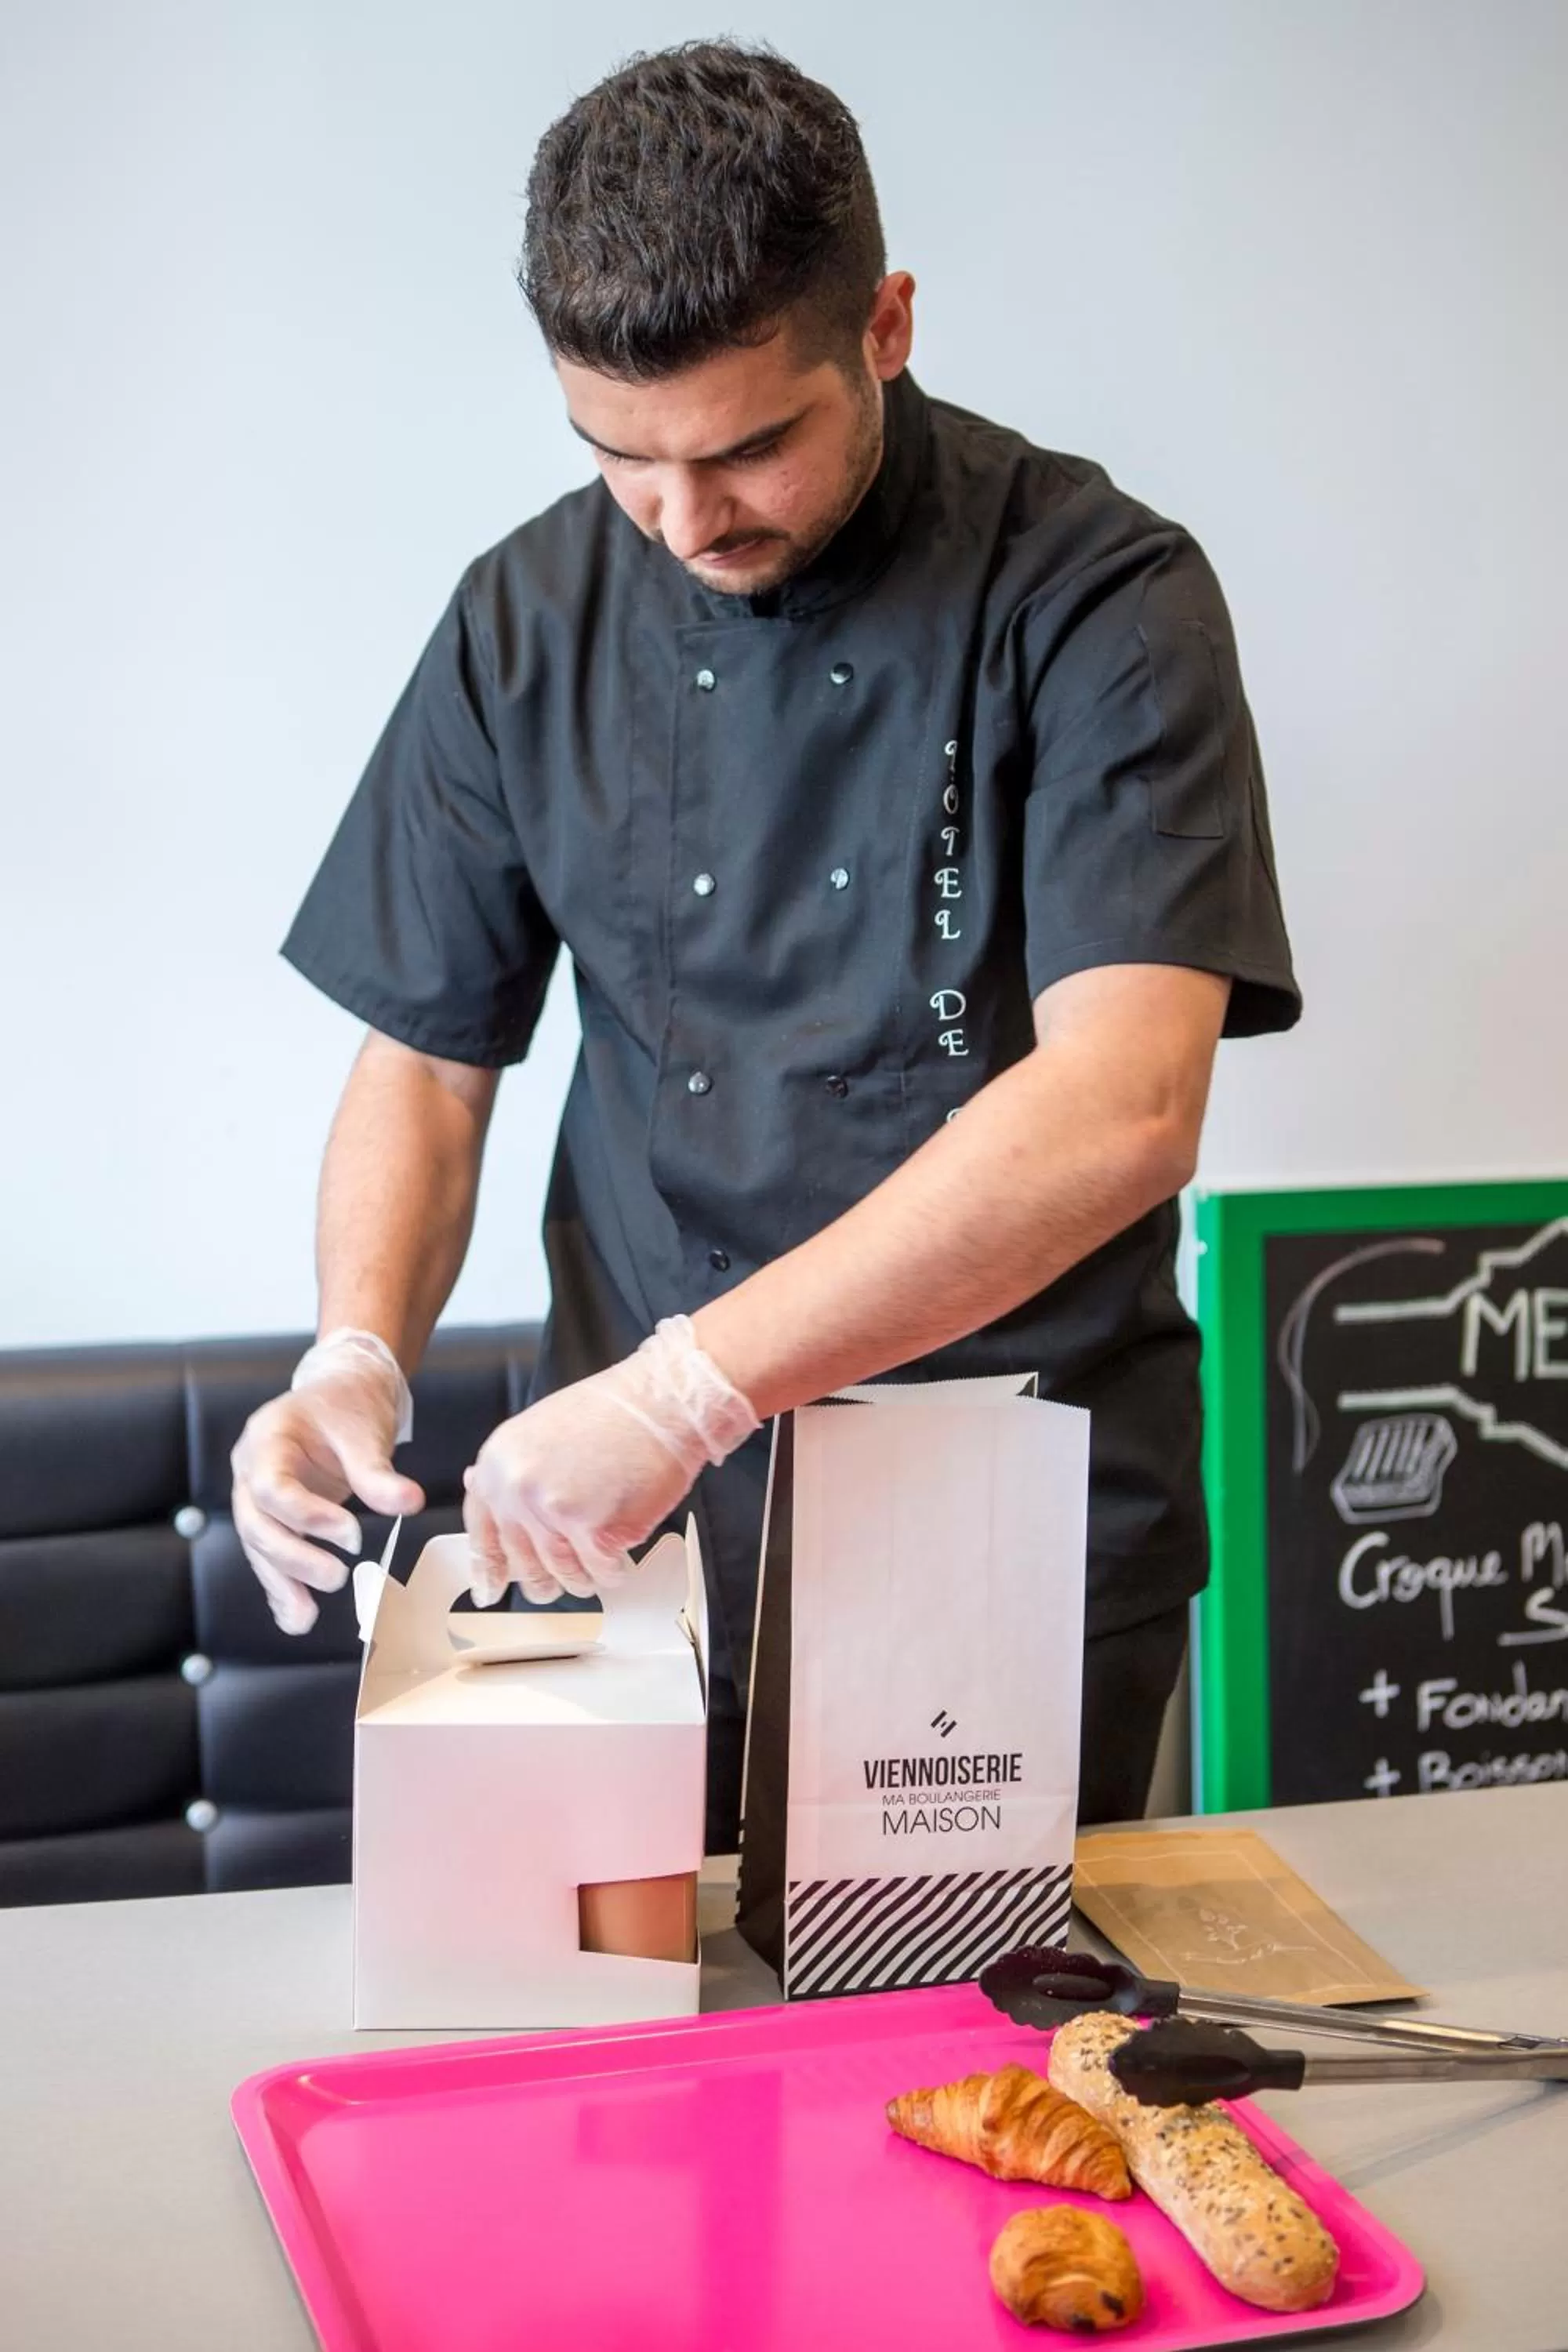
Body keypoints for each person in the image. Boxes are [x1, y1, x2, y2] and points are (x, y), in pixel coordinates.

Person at [231, 39, 1299, 1845]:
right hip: (618, 1534)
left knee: (952, 2068)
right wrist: (353, 1355)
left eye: (748, 448)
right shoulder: (524, 617)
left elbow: (1122, 1106)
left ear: (882, 324)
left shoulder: (1100, 599)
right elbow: (424, 1059)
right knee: (637, 2077)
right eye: (619, 458)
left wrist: (694, 1381)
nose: (684, 519)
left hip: (1001, 1524)